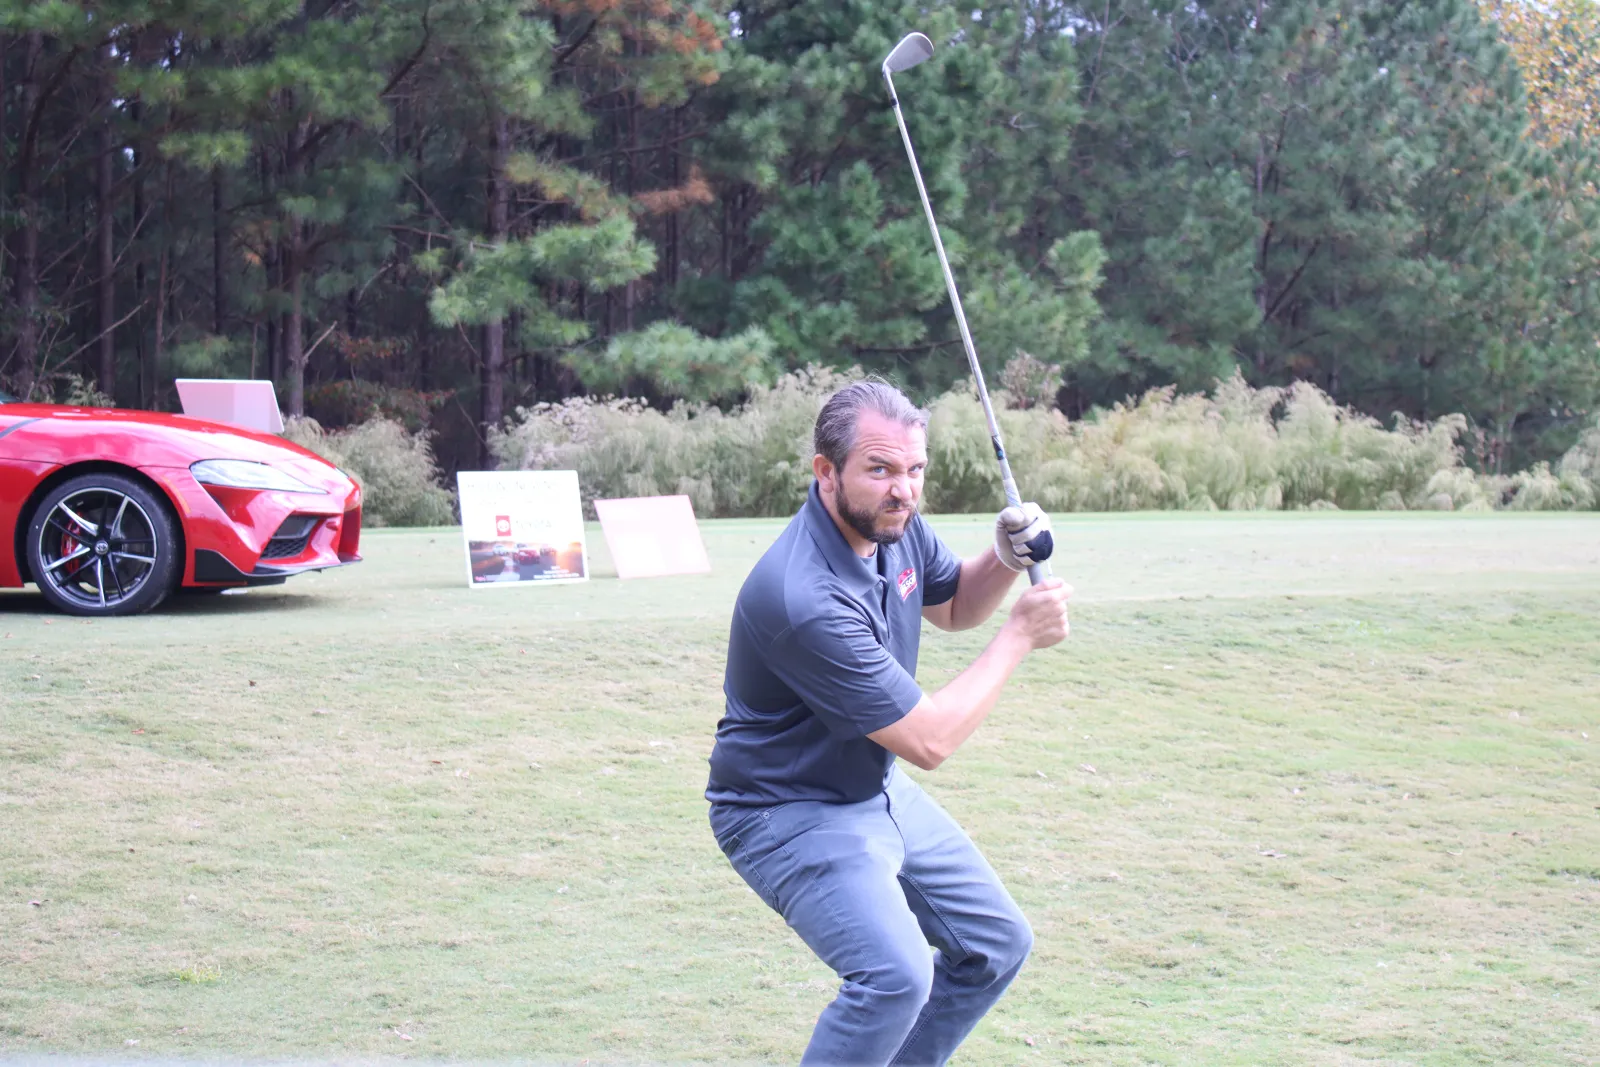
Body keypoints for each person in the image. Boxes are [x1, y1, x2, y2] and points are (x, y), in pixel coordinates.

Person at [706, 379, 1071, 1066]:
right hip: (782, 808)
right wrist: (1020, 633)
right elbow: (930, 739)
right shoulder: (802, 596)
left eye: (914, 469)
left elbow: (955, 604)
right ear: (826, 471)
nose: (902, 488)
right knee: (895, 976)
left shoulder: (891, 524)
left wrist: (1002, 557)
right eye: (879, 469)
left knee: (994, 943)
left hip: (868, 784)